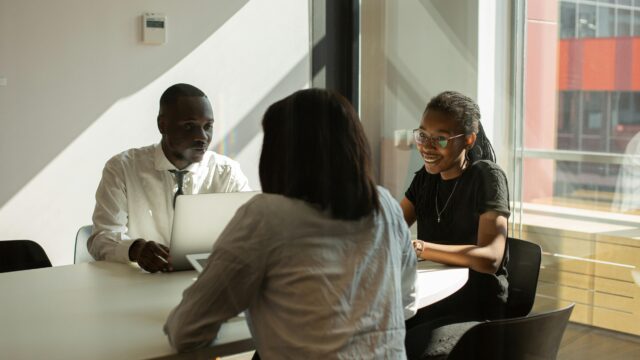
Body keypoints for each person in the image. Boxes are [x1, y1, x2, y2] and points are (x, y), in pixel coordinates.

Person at [163, 88, 417, 358]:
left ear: (281, 152)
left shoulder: (267, 217)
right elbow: (406, 303)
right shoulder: (385, 205)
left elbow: (186, 331)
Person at [88, 83, 251, 273]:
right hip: (139, 284)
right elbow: (101, 238)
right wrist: (134, 249)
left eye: (208, 126)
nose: (202, 137)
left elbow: (253, 231)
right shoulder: (122, 168)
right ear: (162, 124)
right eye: (189, 126)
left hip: (206, 282)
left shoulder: (227, 172)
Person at [400, 91, 510, 359]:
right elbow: (391, 226)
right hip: (436, 299)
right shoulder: (425, 179)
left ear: (469, 140)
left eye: (440, 138)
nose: (427, 146)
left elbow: (490, 258)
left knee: (401, 344)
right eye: (422, 135)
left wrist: (421, 248)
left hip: (475, 307)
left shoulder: (487, 176)